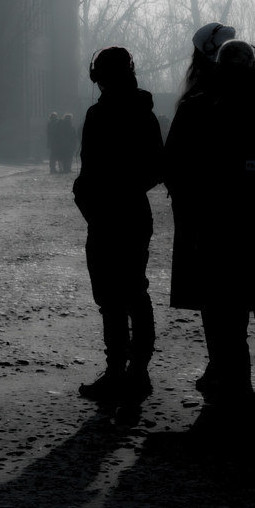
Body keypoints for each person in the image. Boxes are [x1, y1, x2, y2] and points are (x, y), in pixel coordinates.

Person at [164, 38, 255, 416]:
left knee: (225, 319)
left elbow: (173, 168)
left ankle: (232, 382)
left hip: (217, 233)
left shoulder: (197, 108)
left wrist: (197, 208)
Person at [73, 45, 165, 410]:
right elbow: (157, 168)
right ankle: (136, 373)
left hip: (107, 216)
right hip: (130, 214)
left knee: (113, 298)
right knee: (133, 293)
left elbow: (90, 168)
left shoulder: (99, 114)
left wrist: (94, 195)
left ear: (99, 76)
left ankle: (119, 371)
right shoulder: (145, 114)